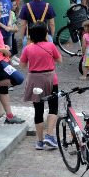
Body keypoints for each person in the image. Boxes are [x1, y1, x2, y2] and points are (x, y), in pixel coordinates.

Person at [19, 21, 62, 150]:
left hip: (34, 80)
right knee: (53, 107)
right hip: (50, 79)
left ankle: (40, 141)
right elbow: (59, 60)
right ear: (45, 33)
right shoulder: (50, 46)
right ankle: (50, 135)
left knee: (38, 109)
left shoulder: (28, 48)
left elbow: (22, 65)